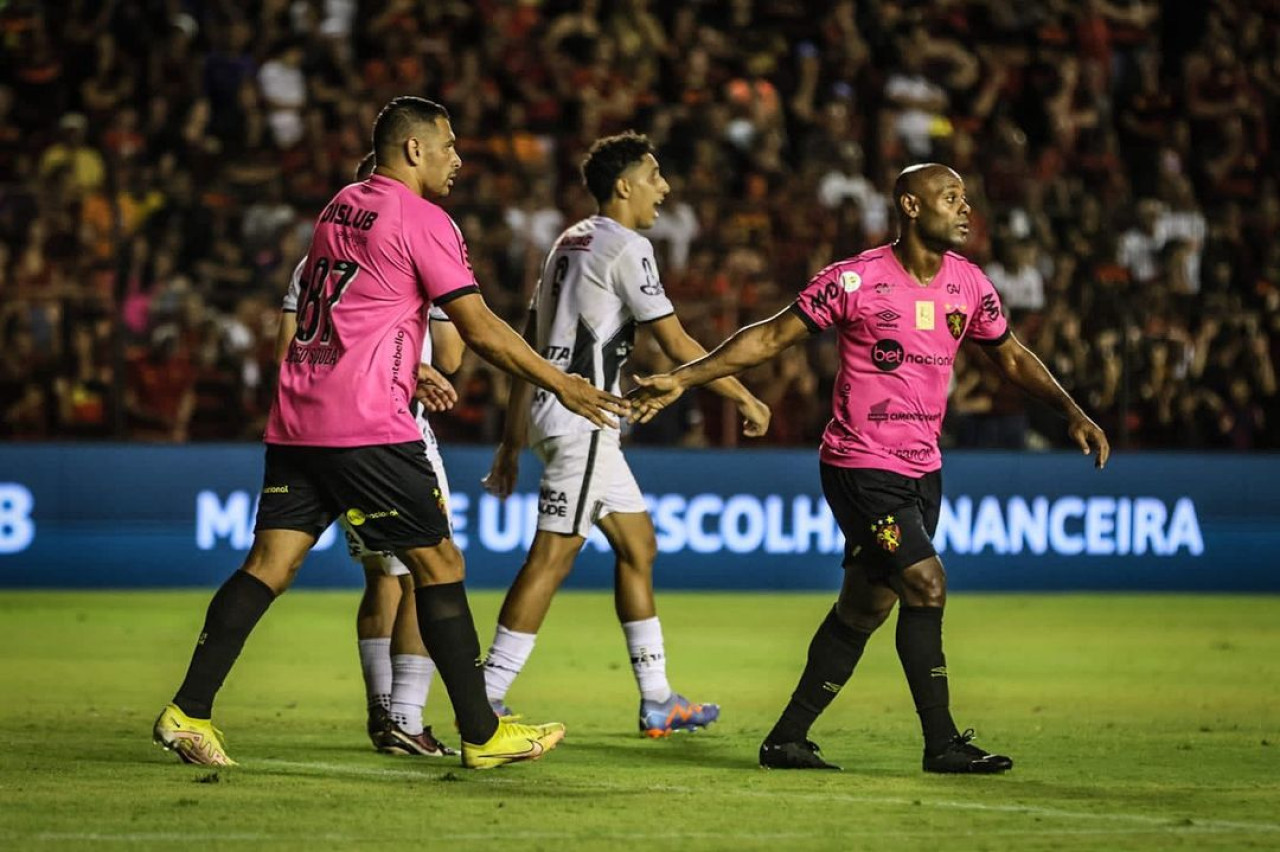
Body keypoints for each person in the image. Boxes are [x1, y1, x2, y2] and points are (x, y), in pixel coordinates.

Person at [153, 96, 627, 770]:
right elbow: (479, 329)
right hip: (366, 425)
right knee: (440, 564)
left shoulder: (340, 206)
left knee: (270, 565)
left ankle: (187, 711)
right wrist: (563, 383)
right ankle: (482, 732)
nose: (457, 160)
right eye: (449, 145)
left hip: (299, 417)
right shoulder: (422, 219)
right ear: (413, 149)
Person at [631, 163, 1109, 772]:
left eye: (967, 197)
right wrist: (683, 377)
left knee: (865, 607)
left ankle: (786, 740)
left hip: (923, 471)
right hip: (860, 469)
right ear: (910, 205)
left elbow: (1010, 356)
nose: (966, 208)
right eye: (950, 197)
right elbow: (772, 337)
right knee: (925, 583)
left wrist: (1070, 409)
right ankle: (941, 743)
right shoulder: (855, 281)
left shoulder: (969, 284)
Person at [481, 131, 771, 736]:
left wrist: (512, 440)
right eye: (654, 175)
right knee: (553, 558)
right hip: (583, 417)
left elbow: (527, 344)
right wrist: (742, 393)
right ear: (623, 186)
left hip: (558, 413)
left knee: (638, 547)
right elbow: (676, 344)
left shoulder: (568, 241)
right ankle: (483, 697)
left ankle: (658, 698)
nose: (662, 188)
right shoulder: (627, 245)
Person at [272, 152, 462, 758]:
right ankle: (407, 718)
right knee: (425, 575)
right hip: (390, 429)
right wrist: (418, 362)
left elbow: (289, 345)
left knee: (381, 576)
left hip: (320, 425)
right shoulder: (416, 240)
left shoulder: (315, 258)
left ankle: (381, 712)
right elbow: (454, 357)